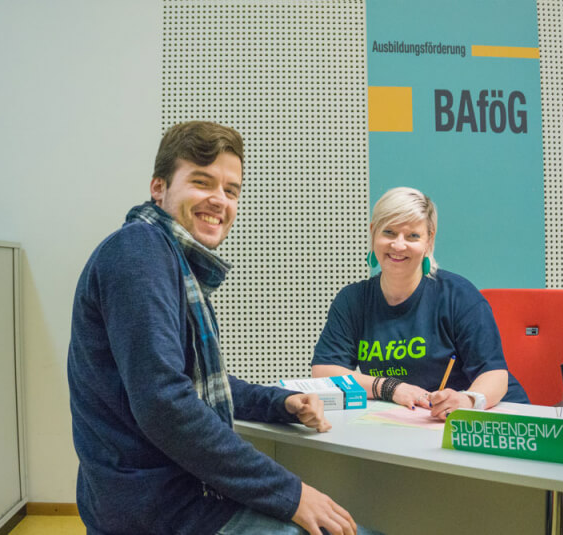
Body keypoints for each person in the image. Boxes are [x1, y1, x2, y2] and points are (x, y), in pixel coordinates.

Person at [68, 121, 372, 535]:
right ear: (159, 187)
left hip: (162, 502)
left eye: (231, 190)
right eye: (202, 182)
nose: (220, 200)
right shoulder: (139, 250)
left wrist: (280, 403)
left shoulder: (169, 258)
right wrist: (292, 494)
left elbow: (191, 381)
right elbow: (165, 402)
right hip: (162, 513)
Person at [311, 187, 529, 419]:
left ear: (429, 240)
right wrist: (391, 388)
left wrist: (468, 400)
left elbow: (495, 375)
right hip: (410, 422)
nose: (398, 245)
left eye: (413, 236)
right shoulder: (353, 299)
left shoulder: (459, 296)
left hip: (487, 420)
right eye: (389, 232)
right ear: (373, 232)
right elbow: (325, 372)